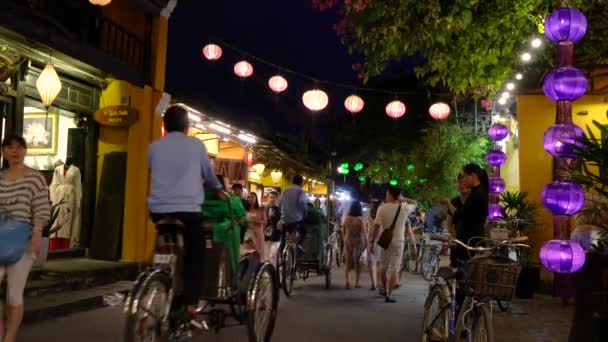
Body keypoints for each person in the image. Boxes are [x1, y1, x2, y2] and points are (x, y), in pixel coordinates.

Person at [148, 105, 223, 317]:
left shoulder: (154, 147)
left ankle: (155, 274)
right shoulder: (196, 145)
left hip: (157, 211)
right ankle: (190, 303)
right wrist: (218, 189)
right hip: (188, 212)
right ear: (186, 126)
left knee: (165, 239)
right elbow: (209, 176)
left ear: (165, 125)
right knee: (195, 253)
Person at [0, 134, 51, 342]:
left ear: (25, 151)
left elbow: (41, 207)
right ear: (3, 152)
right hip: (0, 238)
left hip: (24, 241)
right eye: (10, 147)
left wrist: (37, 234)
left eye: (19, 147)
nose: (15, 151)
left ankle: (8, 339)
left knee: (14, 293)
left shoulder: (35, 178)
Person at [371, 186, 416, 303]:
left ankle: (384, 289)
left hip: (384, 241)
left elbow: (376, 226)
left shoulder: (382, 208)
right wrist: (403, 199)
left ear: (390, 195)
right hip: (398, 242)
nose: (386, 196)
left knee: (383, 267)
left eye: (387, 194)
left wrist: (371, 241)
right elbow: (415, 203)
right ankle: (389, 295)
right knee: (394, 269)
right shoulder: (404, 208)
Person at [451, 163, 489, 266]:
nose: (463, 180)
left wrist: (448, 203)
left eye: (465, 177)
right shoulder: (477, 192)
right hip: (471, 240)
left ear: (473, 175)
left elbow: (463, 215)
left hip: (470, 242)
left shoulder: (478, 194)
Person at [341, 201, 368, 289]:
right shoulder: (360, 219)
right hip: (358, 242)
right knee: (358, 262)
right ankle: (357, 282)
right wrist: (367, 243)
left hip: (348, 240)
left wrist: (344, 239)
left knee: (348, 261)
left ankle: (347, 282)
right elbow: (364, 232)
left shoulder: (347, 218)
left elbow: (343, 230)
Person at [279, 174, 308, 251]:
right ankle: (300, 244)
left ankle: (281, 252)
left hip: (284, 219)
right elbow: (302, 203)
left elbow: (280, 203)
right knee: (304, 231)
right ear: (301, 182)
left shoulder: (285, 190)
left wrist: (281, 214)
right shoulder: (300, 191)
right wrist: (305, 212)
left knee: (283, 237)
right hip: (296, 219)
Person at [245, 192, 267, 259]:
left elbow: (265, 221)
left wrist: (256, 221)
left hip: (258, 234)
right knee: (248, 251)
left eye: (252, 197)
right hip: (248, 233)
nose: (250, 199)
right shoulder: (245, 209)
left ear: (256, 198)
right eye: (248, 197)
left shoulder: (260, 209)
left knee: (258, 252)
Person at [364, 199, 380, 290]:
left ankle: (373, 283)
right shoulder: (381, 214)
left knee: (371, 262)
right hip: (381, 240)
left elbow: (366, 227)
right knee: (378, 263)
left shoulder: (368, 214)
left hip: (371, 240)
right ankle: (377, 282)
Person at [264, 191, 281, 264]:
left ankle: (273, 272)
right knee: (265, 256)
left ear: (277, 199)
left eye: (273, 197)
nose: (271, 199)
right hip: (266, 235)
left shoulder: (279, 210)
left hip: (276, 236)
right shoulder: (265, 209)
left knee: (272, 255)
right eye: (270, 197)